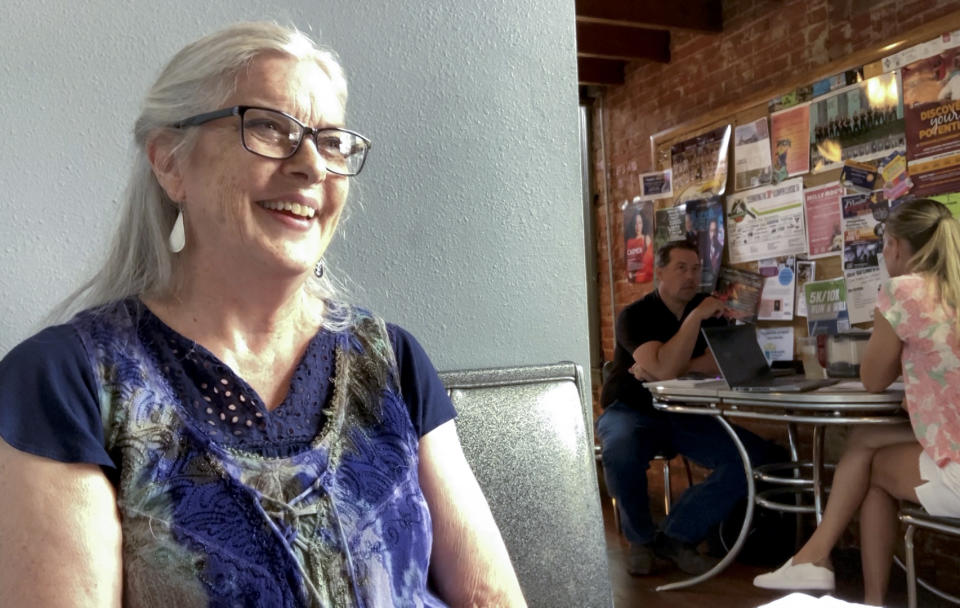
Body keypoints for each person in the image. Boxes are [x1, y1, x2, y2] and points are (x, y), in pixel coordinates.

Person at [0, 22, 525, 607]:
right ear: (171, 163)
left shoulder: (393, 360)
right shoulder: (65, 380)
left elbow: (489, 597)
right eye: (270, 128)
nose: (312, 166)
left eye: (332, 142)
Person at [754, 198, 960, 606]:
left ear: (897, 246)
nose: (884, 255)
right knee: (867, 437)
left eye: (885, 245)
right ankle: (818, 560)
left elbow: (872, 379)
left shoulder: (903, 291)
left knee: (870, 469)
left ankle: (845, 580)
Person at [597, 241, 785, 576]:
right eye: (681, 268)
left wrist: (664, 365)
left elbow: (716, 362)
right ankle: (640, 540)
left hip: (683, 411)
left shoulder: (710, 308)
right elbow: (666, 369)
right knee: (620, 449)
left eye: (696, 268)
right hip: (630, 407)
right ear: (661, 273)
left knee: (753, 457)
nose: (690, 276)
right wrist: (693, 324)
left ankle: (674, 536)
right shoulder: (635, 315)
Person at [625, 205, 654, 283]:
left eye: (640, 223)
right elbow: (628, 263)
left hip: (645, 277)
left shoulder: (646, 239)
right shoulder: (629, 241)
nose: (637, 226)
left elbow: (649, 261)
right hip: (633, 279)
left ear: (643, 224)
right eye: (635, 223)